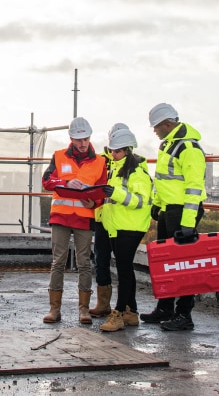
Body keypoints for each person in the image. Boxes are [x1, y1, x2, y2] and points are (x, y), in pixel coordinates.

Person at [139, 102, 208, 332]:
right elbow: (164, 180)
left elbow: (194, 188)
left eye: (156, 127)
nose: (154, 131)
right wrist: (158, 206)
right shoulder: (169, 145)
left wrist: (188, 224)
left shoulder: (188, 148)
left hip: (183, 212)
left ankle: (184, 315)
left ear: (168, 124)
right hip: (170, 210)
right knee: (167, 263)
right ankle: (165, 308)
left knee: (183, 265)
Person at [41, 116, 107, 325]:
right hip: (60, 217)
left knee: (84, 263)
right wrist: (66, 181)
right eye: (79, 139)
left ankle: (84, 310)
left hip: (84, 219)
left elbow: (103, 191)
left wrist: (94, 203)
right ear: (71, 138)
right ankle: (54, 309)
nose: (82, 143)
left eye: (85, 139)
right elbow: (46, 181)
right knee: (58, 262)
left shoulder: (100, 161)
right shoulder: (59, 156)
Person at [97, 125, 153, 332]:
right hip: (118, 225)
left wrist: (117, 193)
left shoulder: (137, 172)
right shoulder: (118, 167)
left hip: (130, 227)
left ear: (128, 150)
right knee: (125, 269)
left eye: (118, 150)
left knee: (124, 271)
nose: (114, 153)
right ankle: (131, 313)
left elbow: (141, 201)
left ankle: (119, 313)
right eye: (112, 150)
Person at [88, 122, 130, 319]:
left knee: (122, 264)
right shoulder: (101, 160)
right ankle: (103, 304)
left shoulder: (132, 164)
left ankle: (127, 307)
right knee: (101, 260)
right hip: (103, 217)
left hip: (121, 220)